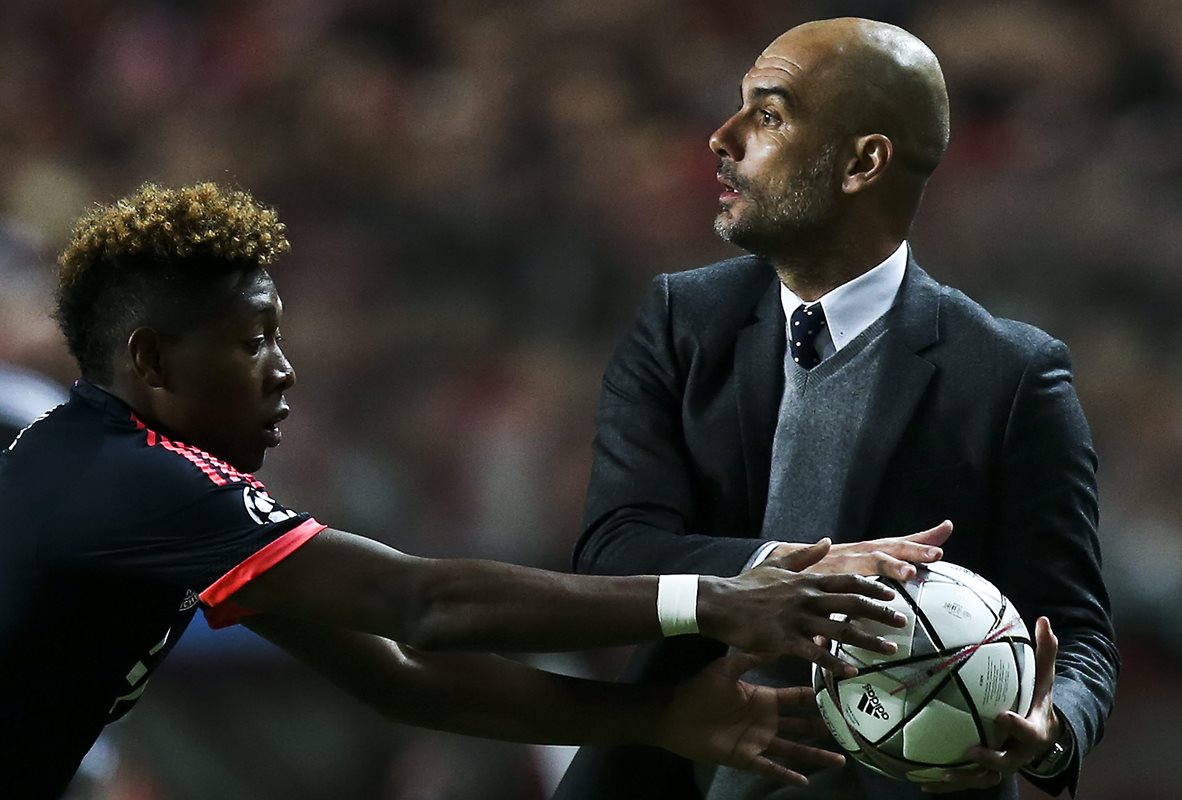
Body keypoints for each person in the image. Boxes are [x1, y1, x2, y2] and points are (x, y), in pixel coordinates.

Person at [0, 181, 952, 799]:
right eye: (251, 343)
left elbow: (400, 673)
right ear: (151, 360)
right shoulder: (134, 479)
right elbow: (424, 603)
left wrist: (658, 720)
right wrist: (717, 598)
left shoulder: (132, 486)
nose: (283, 370)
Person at [556, 17, 1117, 800]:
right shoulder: (681, 321)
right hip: (679, 777)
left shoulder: (1011, 374)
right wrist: (790, 571)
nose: (722, 137)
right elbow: (615, 550)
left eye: (768, 114)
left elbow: (1077, 633)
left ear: (862, 163)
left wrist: (1051, 732)